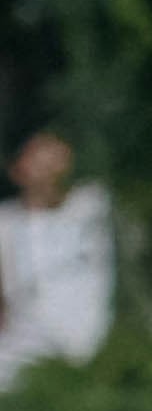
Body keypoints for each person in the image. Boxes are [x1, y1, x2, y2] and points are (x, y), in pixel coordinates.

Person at [0, 135, 117, 390]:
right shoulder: (6, 223)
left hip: (90, 344)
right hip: (24, 346)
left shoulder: (92, 205)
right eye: (40, 161)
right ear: (17, 170)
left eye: (57, 160)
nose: (51, 169)